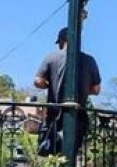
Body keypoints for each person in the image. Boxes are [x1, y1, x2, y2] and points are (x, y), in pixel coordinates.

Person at [34, 27, 102, 156]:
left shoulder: (51, 57)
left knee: (50, 153)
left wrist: (49, 85)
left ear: (62, 40)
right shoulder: (90, 60)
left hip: (54, 115)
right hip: (78, 116)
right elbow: (96, 89)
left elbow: (38, 81)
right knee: (70, 156)